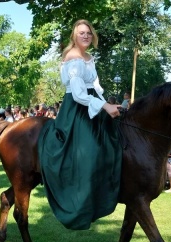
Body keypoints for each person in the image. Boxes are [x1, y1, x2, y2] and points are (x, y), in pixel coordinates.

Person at [37, 19, 121, 230]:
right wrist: (104, 107)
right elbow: (78, 94)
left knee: (114, 141)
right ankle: (79, 206)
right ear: (74, 36)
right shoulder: (73, 57)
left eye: (89, 33)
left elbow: (95, 86)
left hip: (94, 107)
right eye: (81, 33)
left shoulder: (89, 58)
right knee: (90, 152)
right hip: (77, 110)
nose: (85, 36)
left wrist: (109, 105)